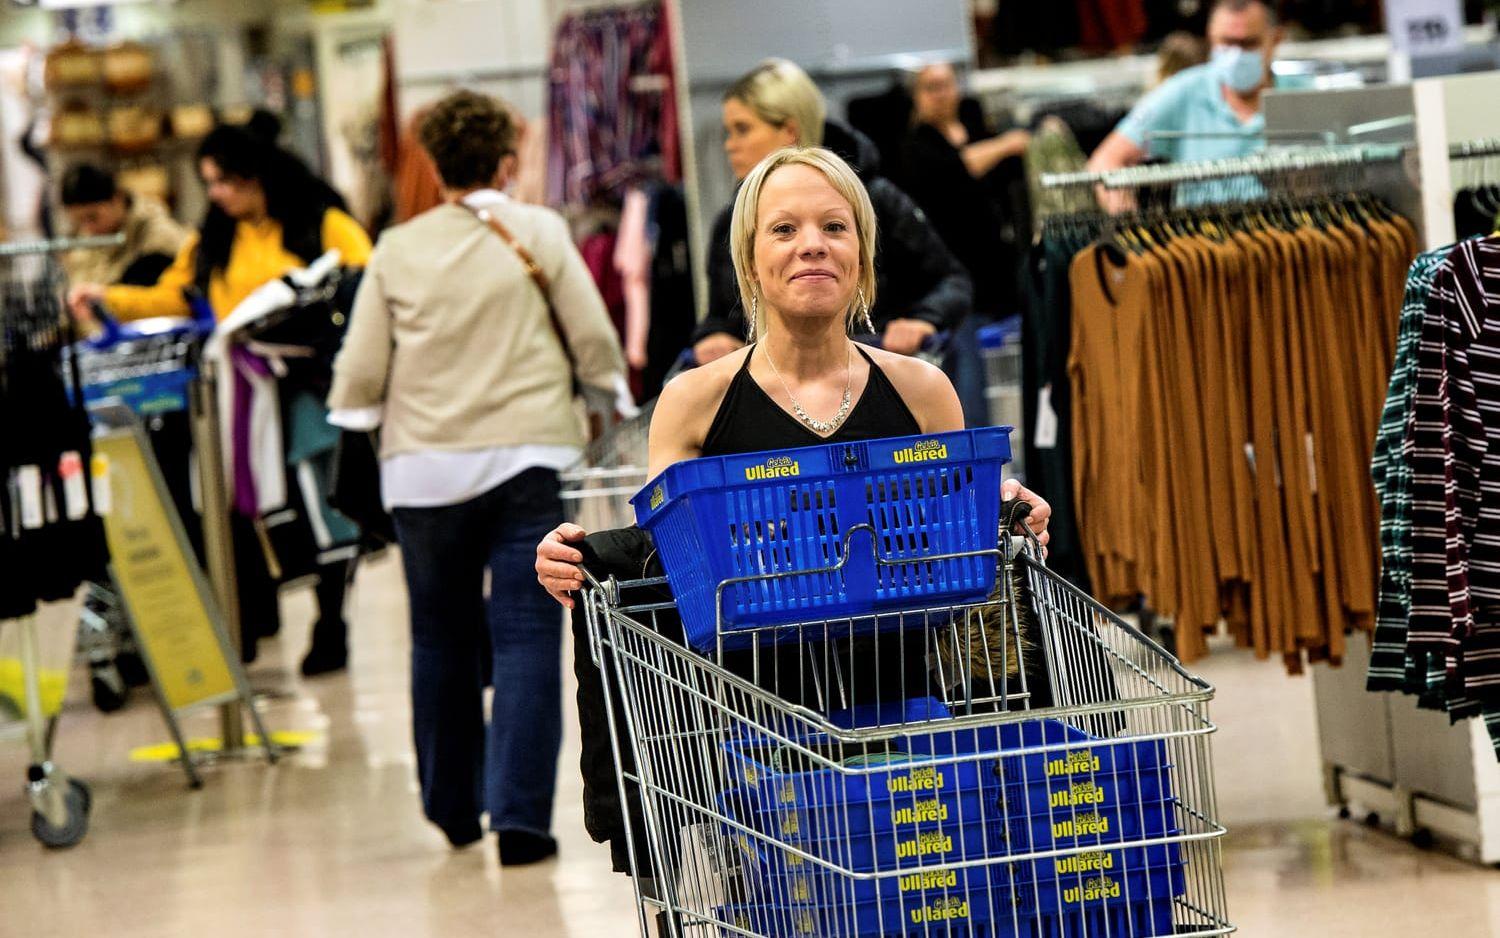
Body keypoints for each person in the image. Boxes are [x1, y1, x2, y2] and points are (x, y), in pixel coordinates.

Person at [533, 146, 1051, 878]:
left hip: (906, 715)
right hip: (752, 742)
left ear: (863, 257)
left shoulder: (923, 392)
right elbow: (661, 563)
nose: (812, 243)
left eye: (835, 227)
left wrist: (1006, 509)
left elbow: (957, 530)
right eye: (784, 229)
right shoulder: (696, 401)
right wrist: (582, 556)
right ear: (749, 261)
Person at [326, 91, 628, 866]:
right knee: (528, 633)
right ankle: (521, 821)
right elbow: (594, 340)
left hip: (423, 474)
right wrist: (613, 397)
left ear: (434, 163)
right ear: (506, 160)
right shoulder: (540, 231)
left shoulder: (395, 248)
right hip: (530, 456)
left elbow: (357, 379)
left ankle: (452, 809)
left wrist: (371, 412)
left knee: (439, 635)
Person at [67, 124, 374, 676]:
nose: (215, 194)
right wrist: (109, 299)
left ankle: (333, 621)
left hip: (308, 388)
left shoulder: (321, 223)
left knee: (322, 502)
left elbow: (368, 286)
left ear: (257, 178)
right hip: (236, 396)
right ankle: (256, 619)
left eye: (224, 182)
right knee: (243, 507)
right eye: (208, 182)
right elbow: (178, 296)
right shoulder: (212, 238)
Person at [689, 58, 972, 369]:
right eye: (783, 229)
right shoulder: (732, 221)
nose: (731, 146)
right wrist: (713, 335)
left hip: (881, 376)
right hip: (772, 392)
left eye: (742, 129)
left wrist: (922, 320)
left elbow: (951, 280)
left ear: (790, 131)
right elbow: (722, 312)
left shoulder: (875, 199)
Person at [901, 61, 1031, 425]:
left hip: (1000, 278)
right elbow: (957, 170)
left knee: (1013, 369)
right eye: (931, 87)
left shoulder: (976, 126)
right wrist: (1006, 145)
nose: (941, 94)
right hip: (959, 281)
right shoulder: (917, 147)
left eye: (946, 85)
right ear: (917, 97)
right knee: (970, 381)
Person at [1087, 0, 1282, 175]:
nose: (1236, 54)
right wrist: (1128, 213)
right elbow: (1106, 160)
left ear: (1275, 40)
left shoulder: (1301, 96)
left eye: (1248, 44)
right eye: (1227, 42)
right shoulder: (1184, 91)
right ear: (1211, 38)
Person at [58, 163, 189, 289]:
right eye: (79, 221)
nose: (88, 228)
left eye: (93, 217)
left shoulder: (159, 234)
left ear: (117, 199)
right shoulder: (84, 242)